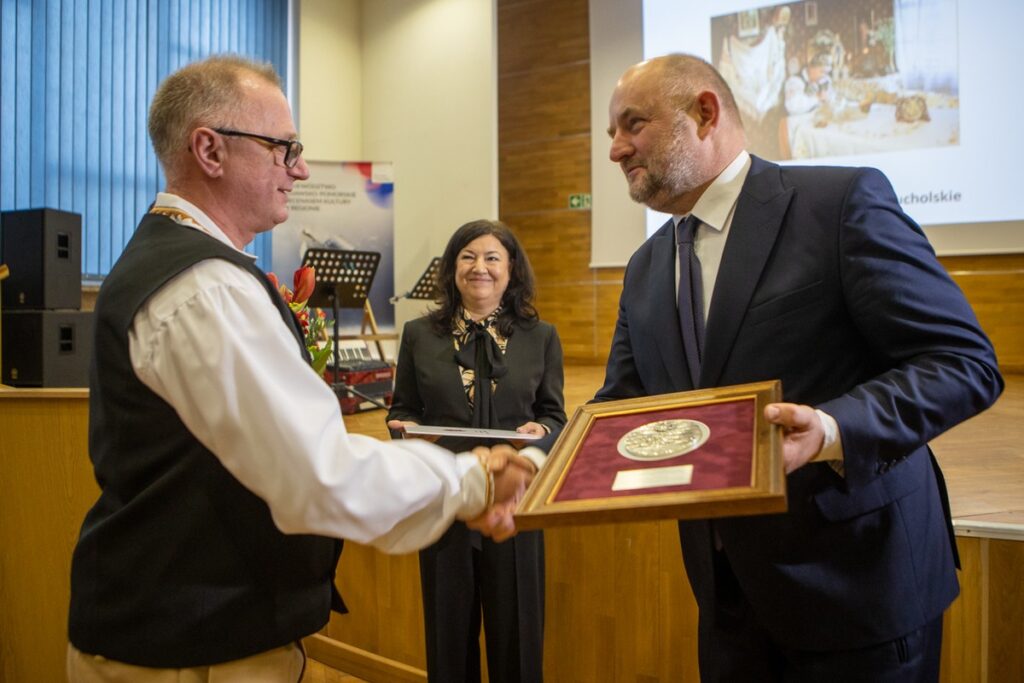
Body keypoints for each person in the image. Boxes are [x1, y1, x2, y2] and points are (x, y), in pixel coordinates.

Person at [67, 55, 533, 682]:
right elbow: (319, 476)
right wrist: (469, 481)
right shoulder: (205, 289)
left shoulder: (185, 267)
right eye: (282, 147)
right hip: (187, 652)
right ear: (210, 149)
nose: (301, 168)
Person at [602, 53, 1003, 681]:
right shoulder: (646, 268)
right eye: (611, 134)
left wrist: (833, 428)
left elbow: (963, 362)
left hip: (861, 594)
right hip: (728, 606)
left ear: (704, 113)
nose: (616, 150)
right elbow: (621, 408)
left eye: (633, 125)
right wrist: (540, 456)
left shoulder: (840, 203)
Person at [387, 219, 566, 683]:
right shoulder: (418, 335)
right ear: (451, 269)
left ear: (511, 271)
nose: (479, 267)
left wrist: (538, 432)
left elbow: (554, 418)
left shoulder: (541, 336)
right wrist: (405, 431)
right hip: (446, 498)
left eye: (492, 258)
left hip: (514, 501)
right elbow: (404, 410)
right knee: (449, 637)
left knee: (517, 638)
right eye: (468, 257)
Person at [784, 51, 833, 115]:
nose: (824, 75)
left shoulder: (823, 79)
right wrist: (817, 98)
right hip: (798, 121)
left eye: (826, 72)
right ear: (811, 68)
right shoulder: (794, 81)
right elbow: (792, 106)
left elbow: (830, 95)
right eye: (822, 71)